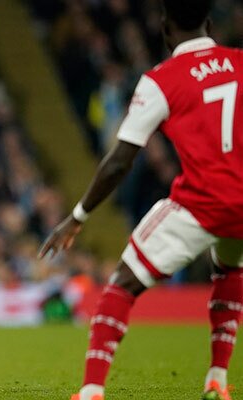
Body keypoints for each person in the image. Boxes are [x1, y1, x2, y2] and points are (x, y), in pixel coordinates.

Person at [38, 1, 243, 399]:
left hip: (201, 203)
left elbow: (119, 161)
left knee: (122, 284)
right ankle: (217, 378)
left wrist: (77, 216)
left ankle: (92, 390)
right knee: (230, 271)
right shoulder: (240, 61)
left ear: (165, 28)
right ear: (208, 23)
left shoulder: (162, 80)